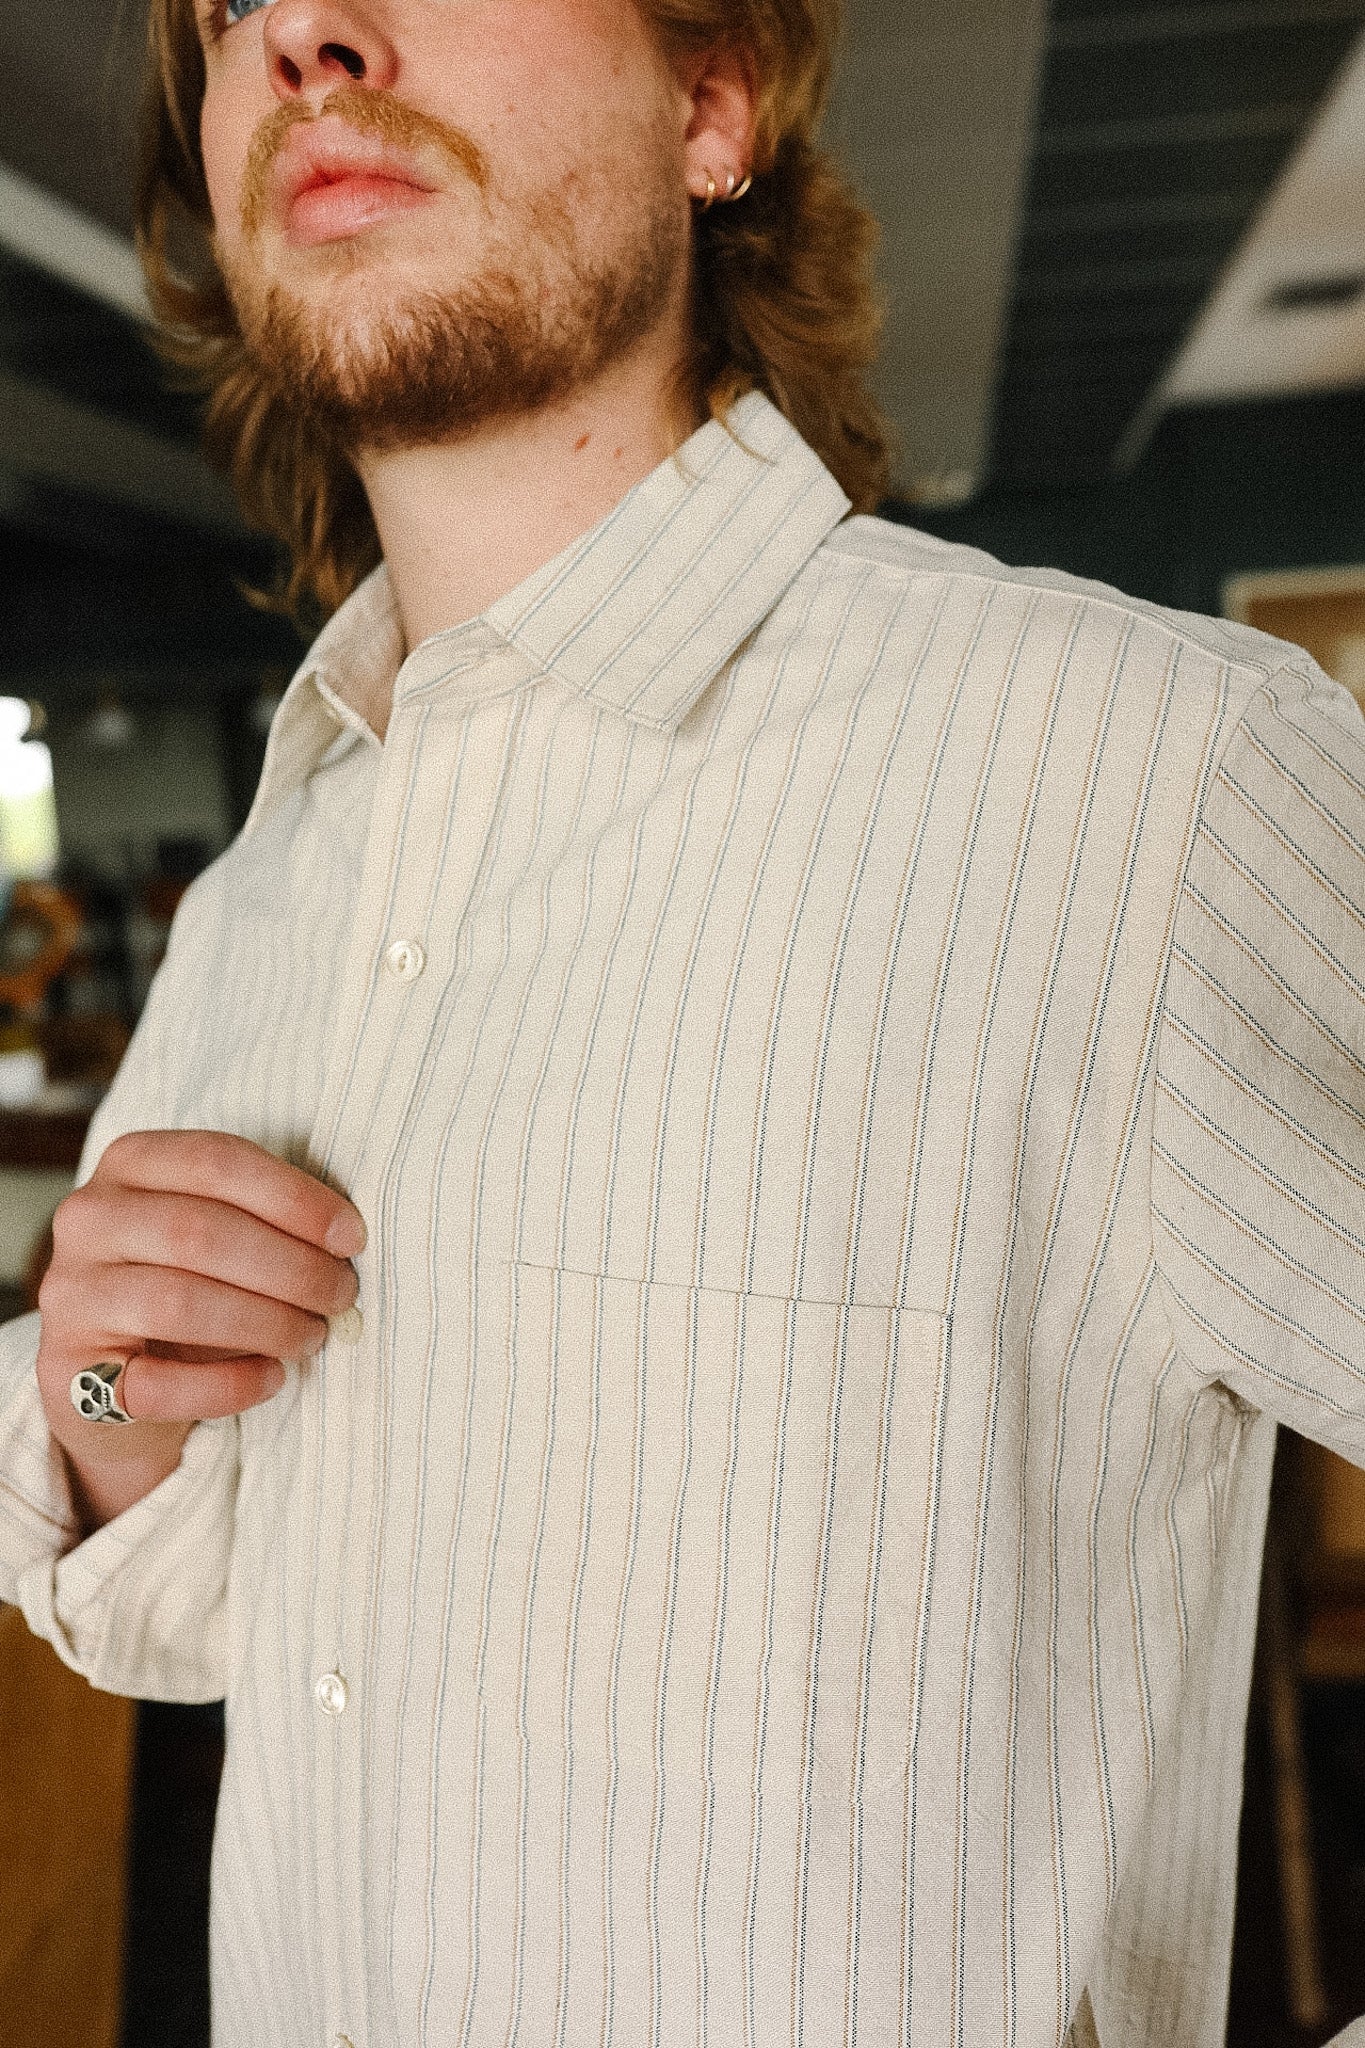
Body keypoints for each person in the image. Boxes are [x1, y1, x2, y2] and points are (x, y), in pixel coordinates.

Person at [1, 0, 1362, 2042]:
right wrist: (99, 1418)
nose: (298, 32)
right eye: (224, 5)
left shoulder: (1141, 782)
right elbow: (191, 1614)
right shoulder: (264, 899)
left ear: (709, 102)